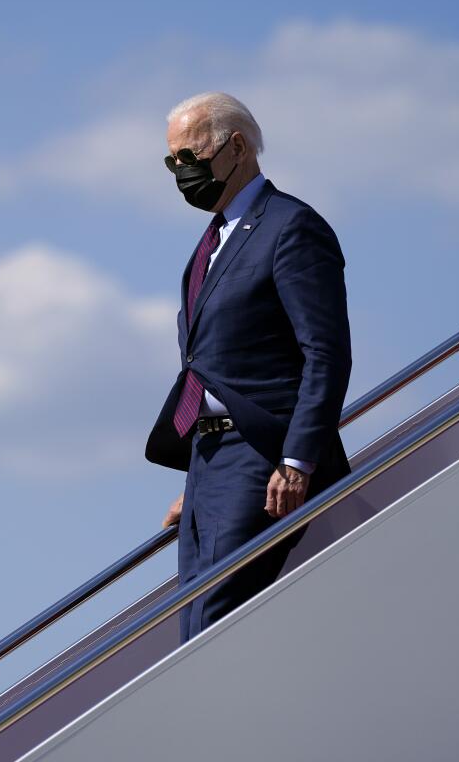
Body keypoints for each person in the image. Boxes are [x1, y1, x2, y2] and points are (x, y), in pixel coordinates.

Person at [144, 92, 353, 644]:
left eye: (190, 159)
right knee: (192, 630)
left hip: (261, 461)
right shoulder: (210, 243)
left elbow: (325, 353)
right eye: (172, 164)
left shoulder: (291, 228)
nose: (182, 175)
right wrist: (197, 475)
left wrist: (297, 459)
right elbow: (206, 366)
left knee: (216, 622)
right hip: (210, 461)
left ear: (236, 148)